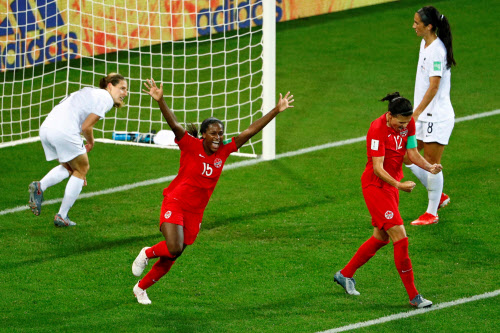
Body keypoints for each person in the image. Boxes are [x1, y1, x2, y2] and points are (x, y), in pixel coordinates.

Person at [131, 78, 294, 305]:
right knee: (174, 247)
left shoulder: (224, 150)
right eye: (213, 133)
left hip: (196, 212)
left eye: (220, 133)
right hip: (175, 202)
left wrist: (276, 109)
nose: (218, 137)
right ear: (204, 135)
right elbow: (174, 125)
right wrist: (161, 101)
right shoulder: (189, 145)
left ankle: (140, 288)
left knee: (174, 255)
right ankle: (147, 253)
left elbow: (250, 131)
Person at [334, 92, 442, 308]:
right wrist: (399, 185)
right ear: (390, 116)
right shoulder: (377, 129)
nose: (404, 127)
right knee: (400, 237)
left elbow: (411, 153)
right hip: (376, 186)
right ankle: (414, 296)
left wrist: (429, 167)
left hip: (391, 186)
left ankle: (345, 274)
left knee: (381, 237)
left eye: (407, 123)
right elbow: (377, 167)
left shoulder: (408, 124)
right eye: (400, 123)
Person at [28, 73, 128, 227]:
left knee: (72, 168)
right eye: (122, 88)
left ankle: (40, 186)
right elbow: (86, 126)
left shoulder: (90, 93)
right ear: (110, 86)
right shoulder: (105, 98)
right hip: (64, 130)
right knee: (82, 168)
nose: (125, 93)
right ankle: (61, 216)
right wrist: (91, 142)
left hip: (46, 129)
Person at [404, 6, 456, 226]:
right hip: (424, 116)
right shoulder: (424, 44)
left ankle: (431, 213)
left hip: (436, 117)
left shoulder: (436, 50)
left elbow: (434, 87)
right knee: (407, 156)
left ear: (429, 26)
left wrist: (413, 114)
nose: (414, 26)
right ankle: (439, 194)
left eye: (417, 23)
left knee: (432, 163)